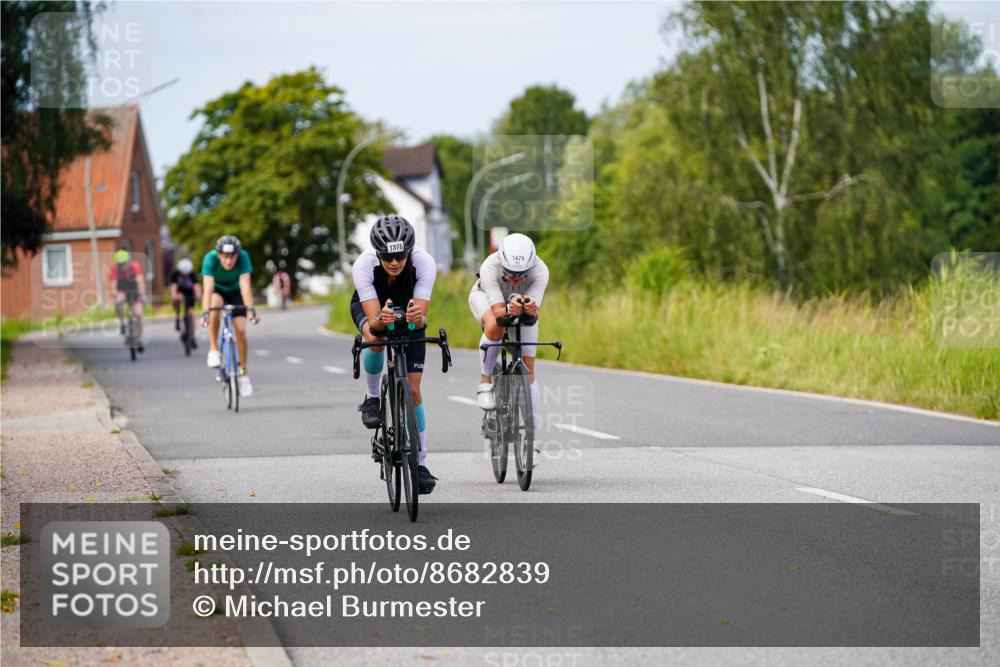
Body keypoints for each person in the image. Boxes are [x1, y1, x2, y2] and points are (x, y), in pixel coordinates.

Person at [350, 215, 439, 494]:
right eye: (387, 256)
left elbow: (422, 319)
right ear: (377, 253)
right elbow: (375, 322)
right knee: (375, 339)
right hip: (375, 310)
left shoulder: (424, 263)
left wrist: (416, 318)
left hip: (410, 315)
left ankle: (421, 464)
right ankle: (372, 397)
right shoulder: (364, 266)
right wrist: (381, 320)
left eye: (400, 256)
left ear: (409, 251)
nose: (394, 262)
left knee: (413, 391)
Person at [468, 233, 549, 433]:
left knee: (529, 369)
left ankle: (532, 437)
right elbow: (498, 312)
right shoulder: (489, 266)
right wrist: (508, 309)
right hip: (485, 298)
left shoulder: (541, 270)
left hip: (517, 305)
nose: (515, 279)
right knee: (495, 326)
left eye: (521, 274)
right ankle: (485, 379)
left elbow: (533, 314)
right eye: (510, 273)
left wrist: (530, 309)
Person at [200, 235, 260, 397]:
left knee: (241, 330)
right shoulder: (210, 258)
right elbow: (208, 288)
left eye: (232, 257)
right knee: (214, 306)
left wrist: (250, 310)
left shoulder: (243, 257)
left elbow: (245, 286)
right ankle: (214, 349)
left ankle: (243, 374)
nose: (228, 261)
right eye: (225, 256)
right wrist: (205, 312)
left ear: (237, 255)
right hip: (218, 290)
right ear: (218, 254)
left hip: (236, 292)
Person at [108, 248, 146, 352]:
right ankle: (122, 323)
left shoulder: (135, 266)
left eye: (124, 264)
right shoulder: (114, 269)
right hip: (122, 291)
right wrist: (117, 294)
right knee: (118, 302)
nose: (122, 266)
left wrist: (142, 294)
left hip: (134, 291)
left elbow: (140, 281)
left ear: (128, 261)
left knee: (139, 314)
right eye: (120, 264)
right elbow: (113, 287)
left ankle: (139, 338)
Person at [169, 258, 202, 348]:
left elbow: (196, 286)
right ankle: (177, 316)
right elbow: (173, 287)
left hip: (189, 293)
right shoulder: (175, 274)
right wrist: (174, 295)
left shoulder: (192, 274)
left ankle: (193, 336)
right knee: (176, 300)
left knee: (191, 314)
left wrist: (198, 295)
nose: (185, 274)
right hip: (179, 292)